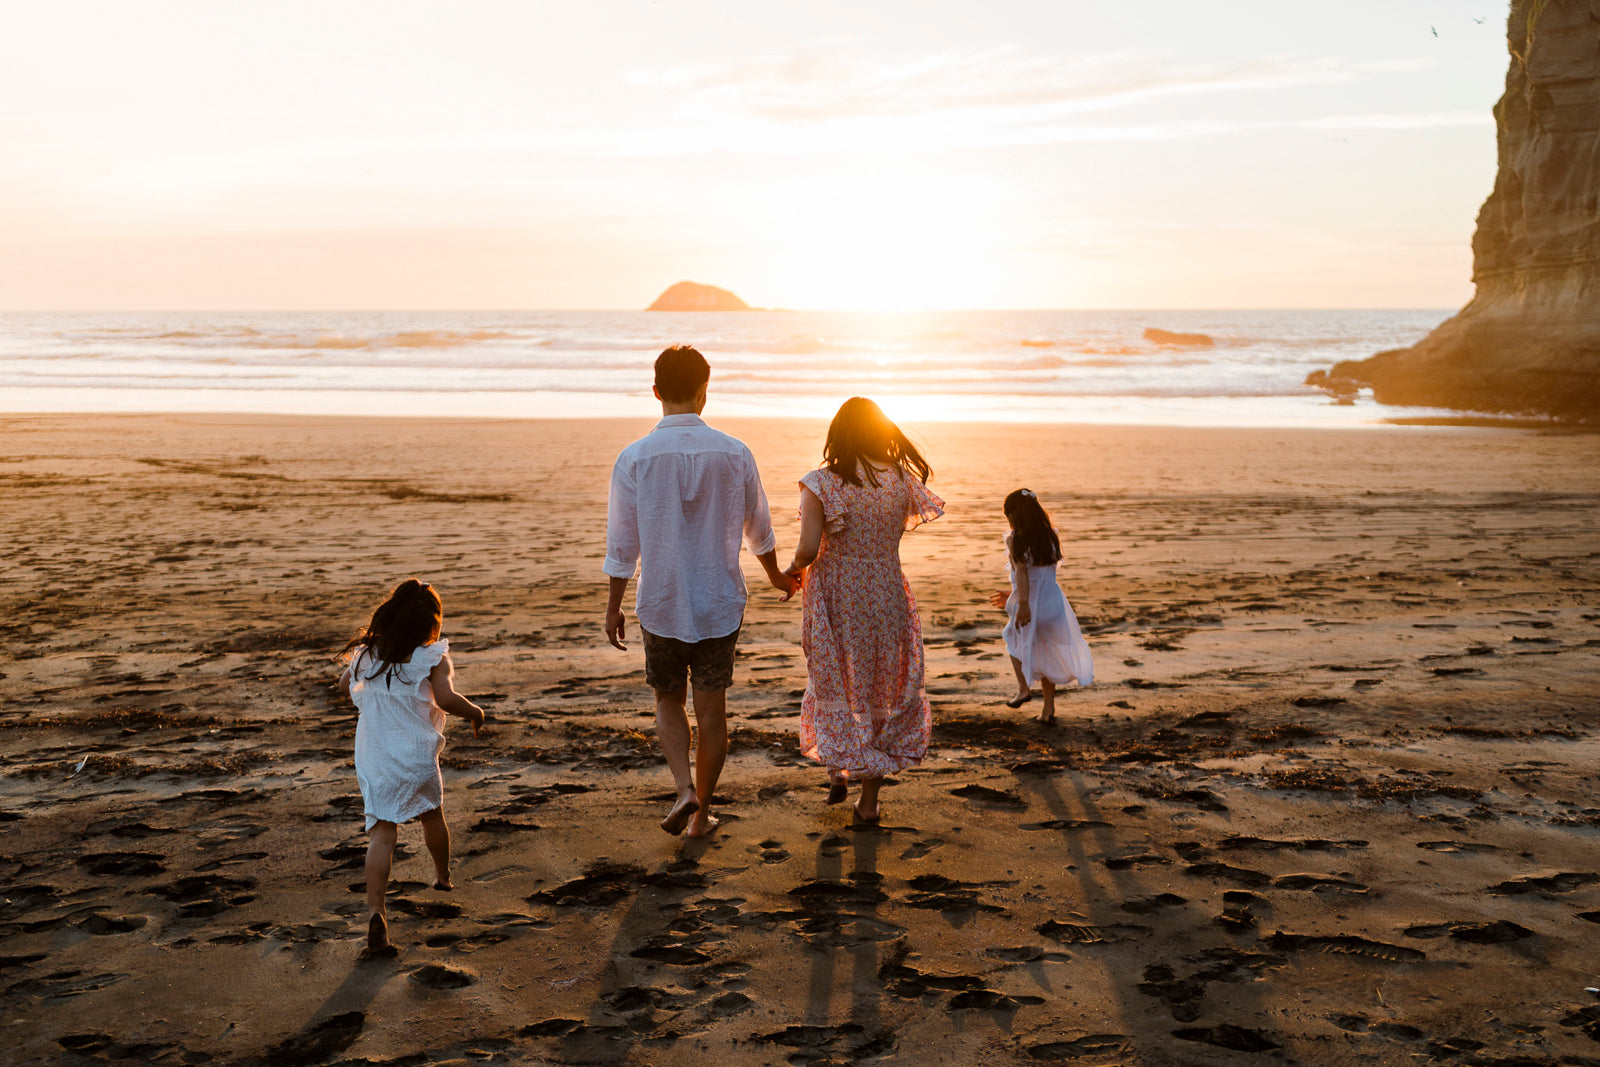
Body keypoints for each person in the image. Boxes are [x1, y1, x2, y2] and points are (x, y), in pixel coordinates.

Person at [604, 345, 794, 838]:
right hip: (718, 603)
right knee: (712, 711)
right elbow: (760, 529)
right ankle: (702, 817)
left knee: (668, 699)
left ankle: (684, 789)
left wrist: (614, 607)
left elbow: (622, 543)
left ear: (656, 392)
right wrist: (775, 576)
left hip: (661, 602)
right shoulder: (734, 452)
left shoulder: (634, 458)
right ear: (704, 391)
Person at [783, 397, 943, 824]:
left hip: (839, 595)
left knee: (831, 675)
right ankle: (867, 802)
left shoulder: (822, 483)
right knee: (879, 688)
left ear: (838, 434)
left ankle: (838, 765)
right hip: (887, 592)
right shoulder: (901, 482)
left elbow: (808, 549)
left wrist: (790, 570)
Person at [339, 578, 485, 955]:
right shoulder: (433, 657)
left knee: (382, 834)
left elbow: (344, 685)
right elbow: (448, 699)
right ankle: (442, 875)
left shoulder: (366, 656)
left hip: (376, 757)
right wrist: (475, 711)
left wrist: (370, 686)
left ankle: (375, 910)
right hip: (416, 757)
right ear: (431, 624)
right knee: (432, 815)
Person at [989, 488, 1094, 723]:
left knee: (1011, 636)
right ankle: (1048, 710)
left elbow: (1024, 576)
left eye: (1009, 515)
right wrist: (1013, 594)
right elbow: (1042, 574)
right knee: (1046, 650)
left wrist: (1023, 604)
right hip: (1053, 602)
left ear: (1016, 515)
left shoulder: (1015, 539)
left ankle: (1023, 688)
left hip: (1032, 602)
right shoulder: (1050, 536)